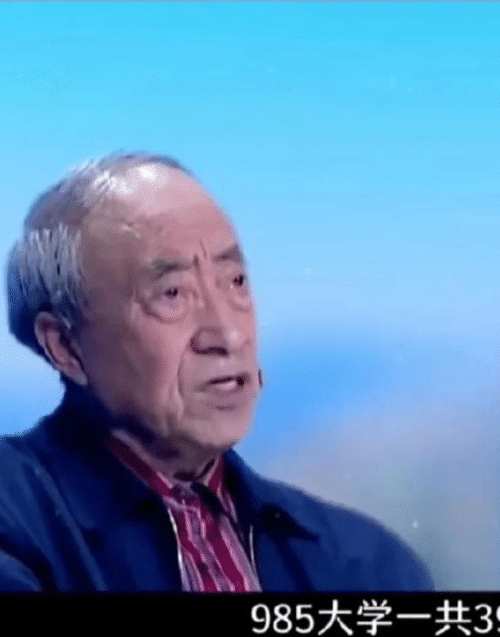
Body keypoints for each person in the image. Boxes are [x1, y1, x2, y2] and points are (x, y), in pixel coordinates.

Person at [0, 153, 433, 592]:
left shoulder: (366, 566)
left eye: (236, 282)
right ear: (65, 344)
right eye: (172, 294)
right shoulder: (16, 515)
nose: (229, 334)